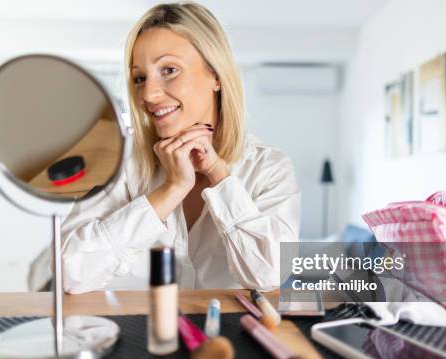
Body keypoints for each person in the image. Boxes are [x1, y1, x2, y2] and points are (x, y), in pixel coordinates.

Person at [59, 2, 300, 293]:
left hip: (227, 337)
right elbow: (70, 273)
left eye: (169, 70)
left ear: (216, 75)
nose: (148, 94)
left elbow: (269, 275)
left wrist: (220, 176)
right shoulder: (119, 161)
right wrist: (169, 191)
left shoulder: (268, 167)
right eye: (139, 78)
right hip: (134, 334)